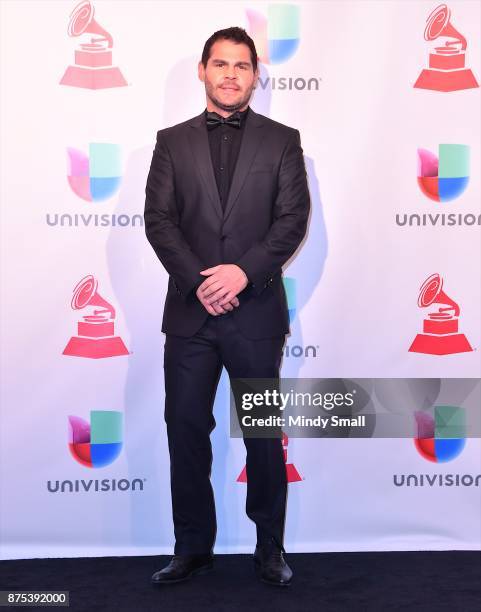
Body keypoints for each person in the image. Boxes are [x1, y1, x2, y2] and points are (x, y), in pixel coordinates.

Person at [144, 26, 310, 587]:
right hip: (191, 315)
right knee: (185, 429)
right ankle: (192, 546)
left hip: (256, 310)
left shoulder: (283, 140)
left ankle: (270, 548)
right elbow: (159, 222)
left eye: (242, 65)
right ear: (203, 71)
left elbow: (292, 219)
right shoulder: (171, 141)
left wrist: (242, 272)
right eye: (221, 64)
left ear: (255, 75)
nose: (231, 74)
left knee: (262, 432)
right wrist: (200, 281)